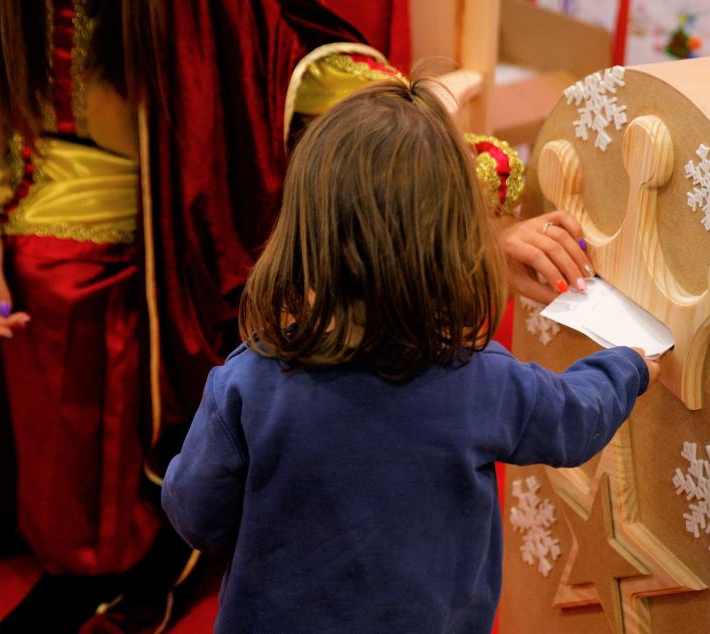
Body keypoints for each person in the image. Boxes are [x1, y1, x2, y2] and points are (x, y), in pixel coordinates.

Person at [0, 1, 419, 631]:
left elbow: (297, 59)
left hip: (139, 180)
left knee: (58, 275)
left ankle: (87, 555)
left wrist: (464, 166)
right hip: (9, 156)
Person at [160, 80, 659, 632]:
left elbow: (195, 514)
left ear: (301, 233)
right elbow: (575, 419)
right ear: (455, 241)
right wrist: (627, 365)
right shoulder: (482, 379)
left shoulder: (249, 380)